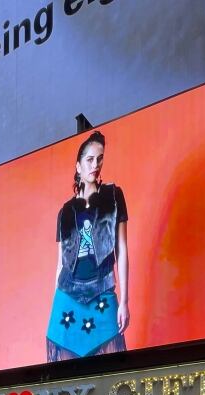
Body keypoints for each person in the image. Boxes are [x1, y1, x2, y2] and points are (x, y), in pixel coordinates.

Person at [46, 130, 129, 363]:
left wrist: (124, 301)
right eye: (90, 159)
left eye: (99, 159)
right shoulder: (65, 212)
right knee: (65, 376)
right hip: (68, 294)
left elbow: (121, 251)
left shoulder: (113, 197)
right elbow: (60, 264)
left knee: (112, 370)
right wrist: (56, 302)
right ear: (78, 166)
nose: (96, 165)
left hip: (102, 290)